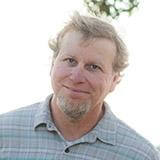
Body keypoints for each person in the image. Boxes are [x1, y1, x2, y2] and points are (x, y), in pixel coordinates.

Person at [0, 12, 159, 160]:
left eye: (93, 67)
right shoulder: (3, 134)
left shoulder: (141, 155)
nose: (76, 77)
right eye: (70, 60)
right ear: (52, 64)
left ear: (114, 80)